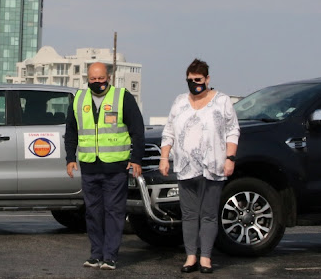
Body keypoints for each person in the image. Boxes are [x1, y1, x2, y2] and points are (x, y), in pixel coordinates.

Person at [159, 59, 240, 274]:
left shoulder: (222, 101)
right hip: (186, 168)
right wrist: (164, 157)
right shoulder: (179, 102)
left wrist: (230, 158)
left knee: (209, 214)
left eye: (198, 79)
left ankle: (205, 257)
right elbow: (169, 132)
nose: (194, 83)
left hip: (213, 167)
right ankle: (190, 256)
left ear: (207, 79)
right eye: (190, 80)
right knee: (189, 215)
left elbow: (232, 131)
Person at [65, 62, 145, 270]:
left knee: (114, 212)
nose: (97, 83)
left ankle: (110, 256)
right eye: (93, 79)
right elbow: (71, 131)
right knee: (93, 213)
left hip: (115, 168)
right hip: (89, 166)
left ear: (108, 77)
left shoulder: (122, 97)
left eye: (101, 79)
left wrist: (136, 159)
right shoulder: (78, 99)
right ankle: (95, 255)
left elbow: (137, 129)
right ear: (87, 79)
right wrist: (70, 158)